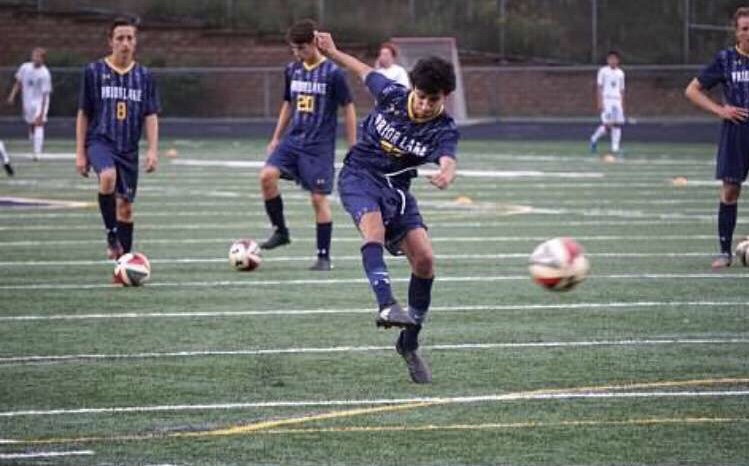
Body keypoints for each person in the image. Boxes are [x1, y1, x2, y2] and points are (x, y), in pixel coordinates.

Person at [315, 31, 459, 384]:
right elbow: (361, 69)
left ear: (445, 97)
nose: (425, 105)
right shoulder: (392, 95)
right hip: (359, 176)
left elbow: (448, 156)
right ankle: (385, 303)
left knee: (424, 260)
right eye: (422, 97)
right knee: (374, 230)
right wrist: (332, 51)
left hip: (398, 189)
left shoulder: (442, 128)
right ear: (412, 89)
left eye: (434, 100)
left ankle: (408, 342)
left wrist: (446, 172)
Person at [259, 19, 357, 271]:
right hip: (294, 141)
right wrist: (276, 137)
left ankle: (323, 256)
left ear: (314, 43)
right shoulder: (292, 70)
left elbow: (348, 108)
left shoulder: (334, 74)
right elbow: (287, 104)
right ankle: (281, 231)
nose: (297, 53)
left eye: (301, 47)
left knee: (318, 199)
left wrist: (353, 145)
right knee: (267, 176)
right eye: (294, 48)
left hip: (319, 147)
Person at [75, 17, 160, 263]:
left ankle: (123, 262)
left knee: (125, 208)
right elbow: (84, 113)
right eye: (120, 38)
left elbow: (151, 114)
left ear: (136, 42)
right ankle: (111, 234)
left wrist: (153, 150)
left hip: (128, 149)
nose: (125, 43)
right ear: (110, 41)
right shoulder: (93, 71)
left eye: (129, 38)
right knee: (108, 177)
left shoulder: (144, 76)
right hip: (100, 141)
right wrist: (80, 152)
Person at [685, 6, 749, 269]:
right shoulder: (725, 59)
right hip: (736, 133)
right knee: (731, 190)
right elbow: (692, 90)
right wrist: (721, 110)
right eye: (745, 28)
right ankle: (725, 252)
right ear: (736, 32)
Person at [7, 47, 52, 161]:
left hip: (40, 102)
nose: (35, 58)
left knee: (39, 123)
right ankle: (34, 142)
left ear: (43, 59)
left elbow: (45, 95)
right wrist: (12, 95)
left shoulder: (45, 74)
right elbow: (18, 82)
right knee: (31, 125)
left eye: (38, 57)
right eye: (34, 56)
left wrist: (42, 112)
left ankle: (37, 153)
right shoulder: (25, 67)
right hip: (27, 101)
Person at [589, 50, 625, 157]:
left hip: (617, 101)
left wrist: (622, 104)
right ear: (608, 60)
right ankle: (594, 138)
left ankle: (615, 147)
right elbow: (599, 87)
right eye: (611, 59)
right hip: (607, 100)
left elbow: (622, 90)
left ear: (618, 60)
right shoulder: (603, 71)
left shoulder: (621, 73)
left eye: (615, 59)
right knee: (608, 125)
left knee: (617, 124)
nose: (613, 61)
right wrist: (600, 102)